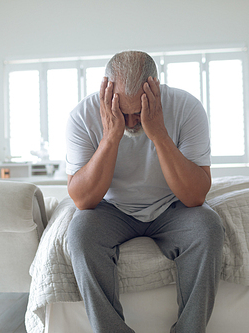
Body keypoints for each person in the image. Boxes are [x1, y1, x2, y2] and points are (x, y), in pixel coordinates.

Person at [65, 50, 224, 333]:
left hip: (172, 206)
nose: (131, 122)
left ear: (156, 88)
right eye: (123, 113)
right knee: (80, 232)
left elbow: (196, 196)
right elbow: (82, 199)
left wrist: (159, 133)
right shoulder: (82, 115)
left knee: (207, 225)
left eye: (138, 112)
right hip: (110, 209)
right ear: (108, 90)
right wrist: (110, 136)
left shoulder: (187, 107)